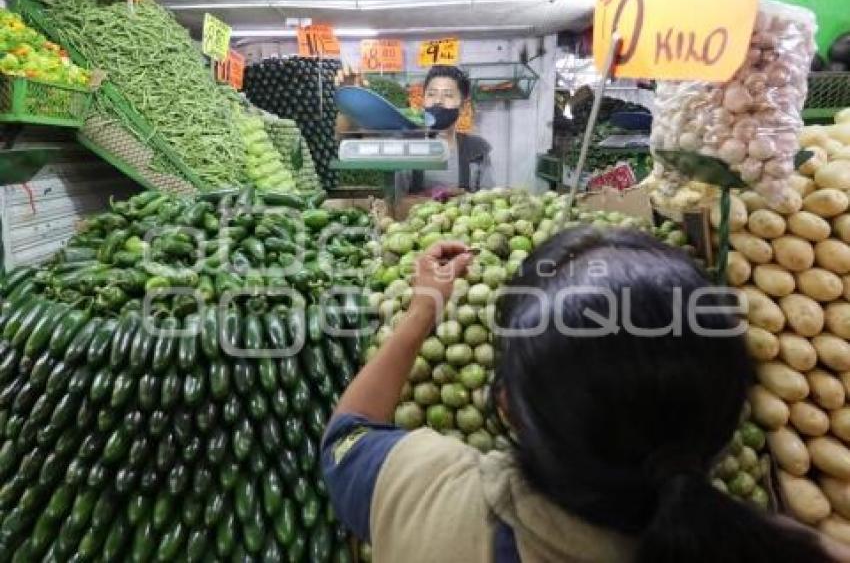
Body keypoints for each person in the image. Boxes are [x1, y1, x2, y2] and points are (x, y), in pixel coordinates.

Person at [321, 228, 850, 562]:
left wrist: (421, 315)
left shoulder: (430, 495)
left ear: (508, 408)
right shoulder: (797, 548)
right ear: (731, 416)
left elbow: (349, 434)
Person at [412, 65, 493, 192]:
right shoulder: (410, 147)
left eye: (448, 95)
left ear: (462, 106)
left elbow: (488, 199)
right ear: (423, 100)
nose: (438, 101)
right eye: (431, 94)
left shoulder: (476, 149)